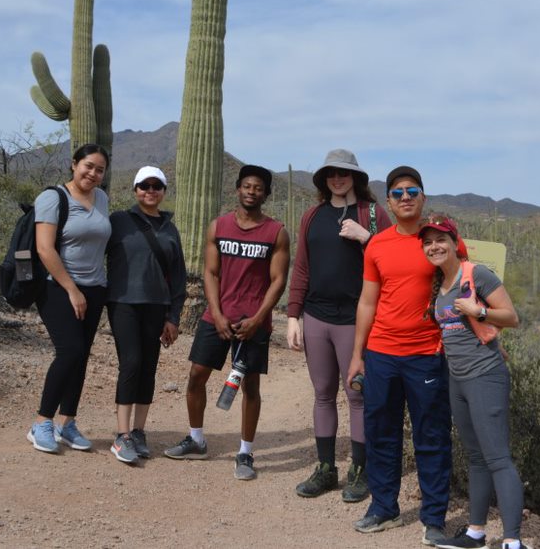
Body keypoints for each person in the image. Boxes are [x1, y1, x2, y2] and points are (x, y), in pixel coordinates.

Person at [346, 166, 452, 547]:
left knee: (432, 435)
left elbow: (462, 290)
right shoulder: (377, 245)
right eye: (398, 192)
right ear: (388, 201)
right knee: (381, 432)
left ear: (422, 197)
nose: (405, 197)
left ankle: (434, 518)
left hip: (427, 353)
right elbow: (367, 301)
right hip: (382, 354)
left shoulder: (440, 241)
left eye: (412, 190)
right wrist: (357, 355)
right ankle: (384, 507)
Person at [164, 165, 290, 482]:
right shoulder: (218, 226)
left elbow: (278, 281)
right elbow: (211, 273)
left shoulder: (276, 232)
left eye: (258, 188)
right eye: (246, 186)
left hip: (254, 321)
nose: (251, 191)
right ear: (237, 189)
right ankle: (196, 439)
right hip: (216, 316)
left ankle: (245, 451)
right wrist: (217, 314)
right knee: (196, 376)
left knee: (250, 387)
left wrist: (260, 319)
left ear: (266, 194)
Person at [287, 149, 392, 501]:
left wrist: (366, 237)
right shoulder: (312, 216)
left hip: (355, 318)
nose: (337, 178)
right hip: (316, 316)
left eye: (344, 173)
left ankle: (360, 471)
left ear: (356, 178)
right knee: (322, 393)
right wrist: (292, 316)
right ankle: (326, 469)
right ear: (324, 179)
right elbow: (301, 268)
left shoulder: (373, 215)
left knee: (356, 394)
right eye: (331, 173)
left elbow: (395, 259)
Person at [418, 216, 527, 549]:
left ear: (455, 243)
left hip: (485, 375)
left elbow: (511, 316)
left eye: (441, 240)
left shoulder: (475, 274)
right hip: (458, 378)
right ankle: (475, 533)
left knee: (497, 458)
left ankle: (512, 541)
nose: (434, 246)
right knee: (476, 457)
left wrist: (478, 311)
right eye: (428, 242)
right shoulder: (441, 284)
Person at [27, 143, 112, 454]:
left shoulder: (101, 198)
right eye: (88, 165)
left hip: (95, 288)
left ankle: (67, 423)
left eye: (99, 169)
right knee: (69, 350)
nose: (92, 173)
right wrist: (71, 289)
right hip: (58, 286)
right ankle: (41, 422)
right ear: (74, 164)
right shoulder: (52, 198)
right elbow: (44, 249)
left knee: (81, 355)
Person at [105, 166, 187, 464]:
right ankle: (122, 435)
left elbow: (178, 277)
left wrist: (173, 317)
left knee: (149, 367)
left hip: (156, 306)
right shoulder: (118, 221)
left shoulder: (169, 228)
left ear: (164, 191)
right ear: (135, 189)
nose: (150, 191)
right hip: (123, 302)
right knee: (132, 362)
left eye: (156, 186)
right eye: (144, 185)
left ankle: (139, 431)